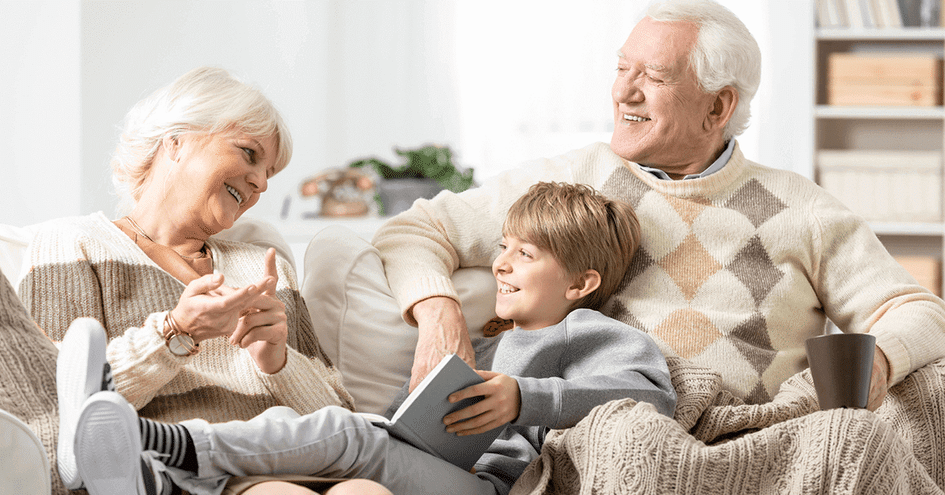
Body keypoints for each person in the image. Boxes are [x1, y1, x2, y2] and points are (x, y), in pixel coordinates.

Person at [373, 0, 945, 410]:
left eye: (653, 77)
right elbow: (413, 231)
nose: (624, 91)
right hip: (619, 425)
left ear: (718, 107)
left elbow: (918, 311)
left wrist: (885, 362)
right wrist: (437, 314)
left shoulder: (802, 209)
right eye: (623, 68)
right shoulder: (576, 181)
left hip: (763, 431)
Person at [58, 182, 677, 495]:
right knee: (345, 451)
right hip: (440, 473)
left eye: (527, 255)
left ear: (582, 282)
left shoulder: (598, 334)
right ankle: (158, 480)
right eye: (503, 250)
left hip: (494, 487)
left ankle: (146, 440)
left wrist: (527, 398)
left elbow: (653, 403)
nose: (501, 266)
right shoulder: (486, 347)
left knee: (347, 434)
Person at [18, 67, 374, 494]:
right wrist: (175, 335)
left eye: (269, 174)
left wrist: (278, 362)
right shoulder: (73, 244)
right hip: (175, 473)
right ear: (176, 142)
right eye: (249, 153)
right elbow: (55, 405)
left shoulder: (261, 268)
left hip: (292, 462)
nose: (260, 182)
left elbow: (344, 422)